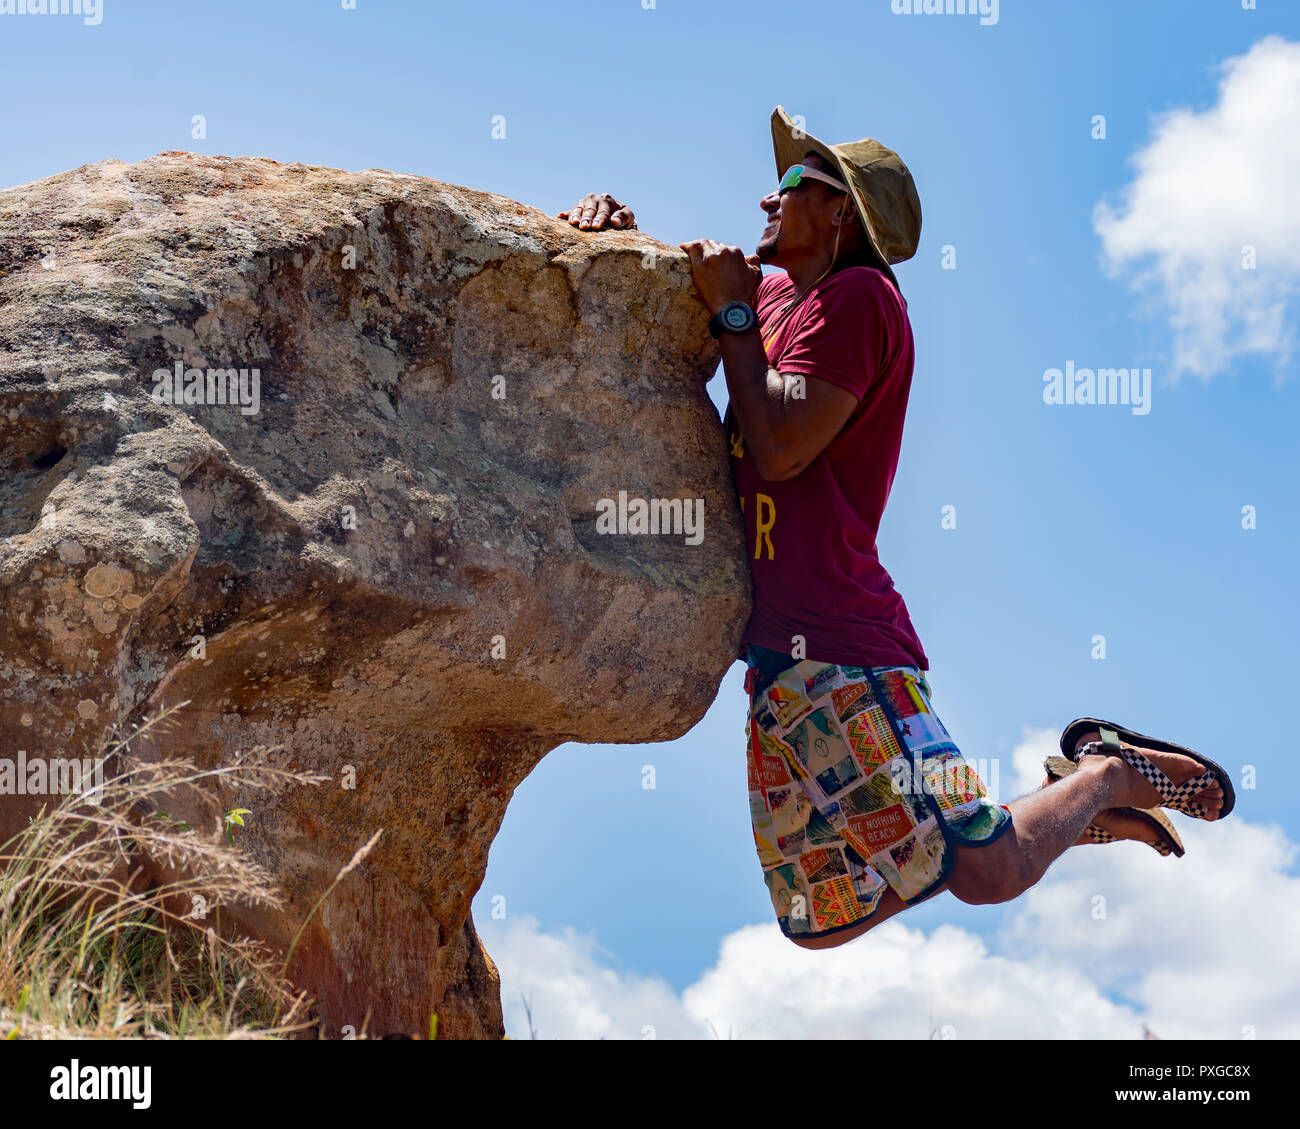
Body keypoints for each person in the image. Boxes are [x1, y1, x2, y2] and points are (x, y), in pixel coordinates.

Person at [557, 106, 1234, 949]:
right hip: (778, 663)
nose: (768, 198)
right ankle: (1024, 825)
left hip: (846, 645)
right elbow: (689, 287)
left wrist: (732, 315)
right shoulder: (772, 296)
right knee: (821, 918)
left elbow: (780, 451)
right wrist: (612, 232)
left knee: (983, 874)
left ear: (842, 213)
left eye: (794, 183)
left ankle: (1100, 774)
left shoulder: (861, 300)